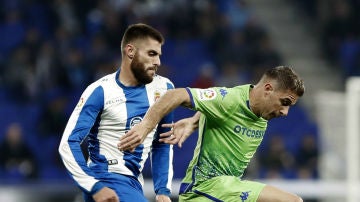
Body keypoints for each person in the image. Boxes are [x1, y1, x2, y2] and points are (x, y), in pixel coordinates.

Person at [119, 66, 305, 202]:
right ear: (267, 89)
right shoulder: (230, 100)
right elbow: (173, 95)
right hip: (205, 188)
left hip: (224, 191)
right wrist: (144, 127)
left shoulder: (261, 109)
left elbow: (217, 111)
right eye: (285, 102)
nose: (285, 112)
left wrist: (194, 121)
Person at [58, 23, 175, 202]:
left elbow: (162, 143)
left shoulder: (165, 89)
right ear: (130, 51)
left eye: (159, 55)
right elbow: (68, 143)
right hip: (106, 179)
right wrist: (94, 185)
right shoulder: (100, 91)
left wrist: (163, 191)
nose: (158, 62)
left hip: (133, 183)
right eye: (151, 54)